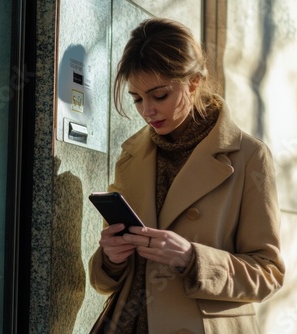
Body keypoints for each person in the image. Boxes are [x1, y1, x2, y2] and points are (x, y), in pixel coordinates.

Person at [88, 18, 285, 334]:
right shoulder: (131, 156)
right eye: (137, 98)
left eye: (159, 95)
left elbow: (269, 273)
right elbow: (105, 281)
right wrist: (111, 257)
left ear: (194, 82)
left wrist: (193, 258)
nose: (147, 111)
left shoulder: (248, 156)